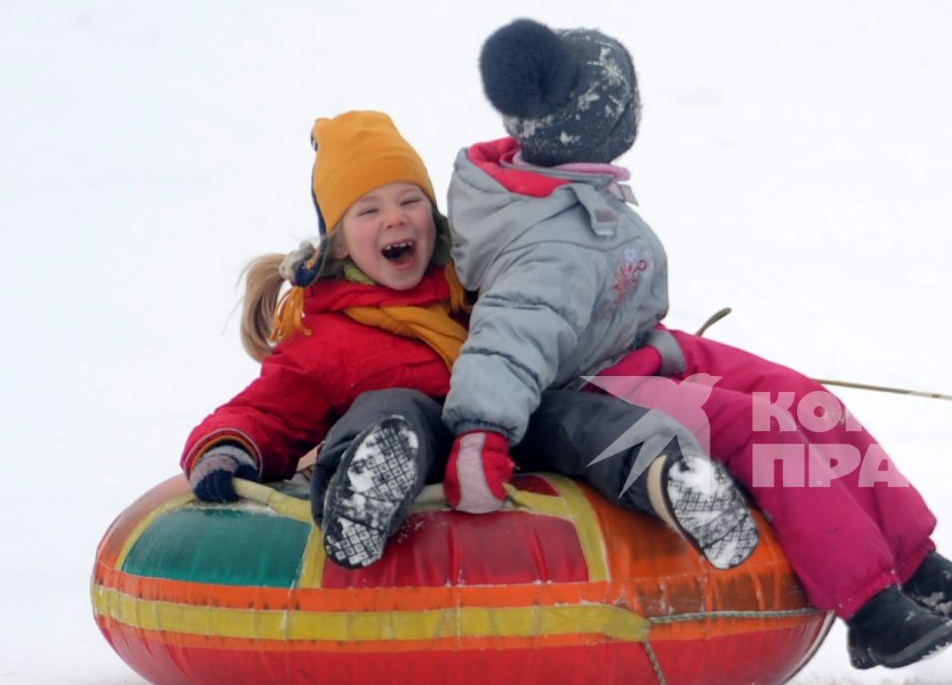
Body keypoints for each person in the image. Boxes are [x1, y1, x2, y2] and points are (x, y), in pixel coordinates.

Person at [443, 18, 952, 670]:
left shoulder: (569, 184)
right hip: (592, 388)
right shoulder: (545, 243)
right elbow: (507, 342)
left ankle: (917, 562)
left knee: (800, 397)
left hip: (642, 348)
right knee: (756, 427)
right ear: (600, 120)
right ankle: (870, 608)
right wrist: (480, 434)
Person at [182, 111, 748, 571]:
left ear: (433, 213)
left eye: (410, 201)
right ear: (339, 241)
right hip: (423, 444)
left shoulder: (475, 279)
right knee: (391, 407)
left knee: (579, 415)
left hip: (510, 435)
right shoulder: (325, 334)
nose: (395, 220)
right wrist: (228, 447)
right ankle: (367, 489)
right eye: (369, 210)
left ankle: (675, 480)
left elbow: (542, 319)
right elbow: (270, 411)